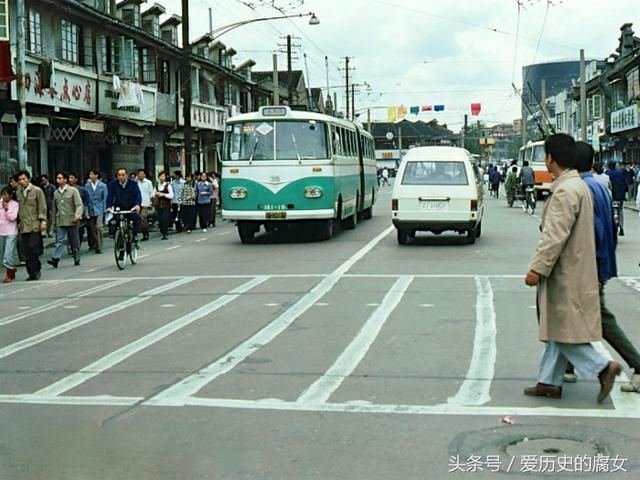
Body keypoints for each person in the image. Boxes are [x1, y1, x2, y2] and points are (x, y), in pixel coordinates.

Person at [523, 133, 620, 403]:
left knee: (564, 329)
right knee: (558, 325)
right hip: (577, 266)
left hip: (564, 271)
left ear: (550, 158)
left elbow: (554, 235)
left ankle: (603, 367)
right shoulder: (578, 185)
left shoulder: (565, 190)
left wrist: (537, 269)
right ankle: (549, 382)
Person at [562, 143, 640, 393]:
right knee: (570, 314)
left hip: (590, 267)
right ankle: (565, 368)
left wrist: (595, 268)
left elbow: (594, 232)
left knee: (597, 318)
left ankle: (636, 365)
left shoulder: (582, 188)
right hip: (598, 263)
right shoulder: (597, 185)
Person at [15, 170, 47, 281]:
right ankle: (31, 272)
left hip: (34, 224)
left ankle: (36, 269)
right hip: (24, 225)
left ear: (28, 179)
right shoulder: (18, 192)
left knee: (33, 248)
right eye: (20, 180)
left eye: (24, 179)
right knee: (27, 250)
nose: (22, 181)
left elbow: (42, 206)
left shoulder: (37, 191)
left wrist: (43, 221)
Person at [48, 172, 83, 268]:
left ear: (65, 179)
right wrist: (53, 223)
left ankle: (76, 257)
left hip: (72, 219)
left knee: (74, 241)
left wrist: (78, 214)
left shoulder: (73, 191)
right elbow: (54, 208)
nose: (58, 180)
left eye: (60, 178)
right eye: (57, 178)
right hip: (61, 220)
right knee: (59, 241)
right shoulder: (56, 193)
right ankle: (56, 258)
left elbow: (79, 204)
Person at [106, 167, 142, 239]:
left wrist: (137, 205)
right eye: (119, 175)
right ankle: (117, 238)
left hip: (130, 207)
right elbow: (110, 196)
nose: (121, 177)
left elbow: (137, 195)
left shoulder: (133, 183)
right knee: (114, 222)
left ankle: (134, 236)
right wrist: (109, 206)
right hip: (119, 207)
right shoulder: (113, 184)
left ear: (126, 175)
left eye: (123, 175)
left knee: (136, 219)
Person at [85, 169, 107, 254]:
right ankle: (95, 243)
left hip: (100, 208)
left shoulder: (103, 185)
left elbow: (105, 198)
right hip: (90, 208)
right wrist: (86, 210)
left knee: (99, 227)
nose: (90, 176)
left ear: (96, 175)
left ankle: (99, 246)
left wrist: (105, 209)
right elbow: (86, 198)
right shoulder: (87, 185)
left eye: (92, 174)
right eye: (90, 174)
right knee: (92, 228)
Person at [68, 172, 92, 251]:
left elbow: (87, 200)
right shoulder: (65, 189)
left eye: (72, 178)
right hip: (69, 213)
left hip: (80, 213)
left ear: (76, 179)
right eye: (69, 178)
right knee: (71, 231)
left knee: (80, 231)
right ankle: (72, 247)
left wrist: (83, 209)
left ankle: (77, 246)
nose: (70, 180)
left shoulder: (81, 190)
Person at [0, 187, 19, 283]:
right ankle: (11, 269)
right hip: (1, 231)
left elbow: (13, 217)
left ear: (10, 195)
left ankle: (10, 273)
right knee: (2, 254)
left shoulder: (14, 204)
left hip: (11, 232)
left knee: (8, 254)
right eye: (2, 194)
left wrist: (7, 209)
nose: (4, 197)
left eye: (6, 195)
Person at [606, 161, 627, 236]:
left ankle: (613, 227)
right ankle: (621, 227)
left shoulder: (608, 174)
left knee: (611, 212)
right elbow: (625, 184)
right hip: (620, 196)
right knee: (620, 211)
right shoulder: (621, 173)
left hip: (612, 196)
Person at [154, 171, 173, 240]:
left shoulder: (168, 185)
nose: (162, 178)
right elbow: (153, 194)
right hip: (158, 205)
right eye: (161, 176)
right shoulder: (156, 186)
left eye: (163, 176)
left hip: (166, 205)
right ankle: (162, 232)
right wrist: (156, 194)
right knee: (160, 219)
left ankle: (165, 233)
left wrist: (164, 194)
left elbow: (171, 195)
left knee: (165, 219)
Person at [136, 169, 154, 241]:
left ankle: (145, 233)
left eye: (141, 174)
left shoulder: (148, 182)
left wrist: (151, 202)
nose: (140, 175)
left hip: (145, 203)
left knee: (143, 217)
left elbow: (151, 192)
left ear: (144, 175)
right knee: (137, 219)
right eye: (139, 174)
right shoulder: (136, 182)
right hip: (137, 204)